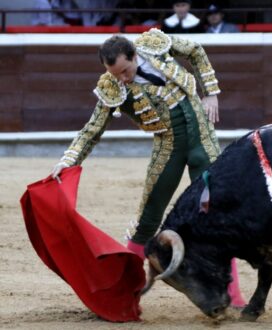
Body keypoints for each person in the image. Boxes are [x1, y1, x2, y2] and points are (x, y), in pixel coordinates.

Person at [50, 28, 246, 307]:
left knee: (217, 214)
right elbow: (91, 130)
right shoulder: (113, 85)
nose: (122, 79)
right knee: (147, 220)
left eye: (126, 71)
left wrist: (211, 92)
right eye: (116, 74)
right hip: (169, 146)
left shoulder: (155, 45)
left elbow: (195, 50)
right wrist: (68, 160)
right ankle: (124, 291)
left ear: (134, 55)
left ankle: (234, 296)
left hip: (202, 138)